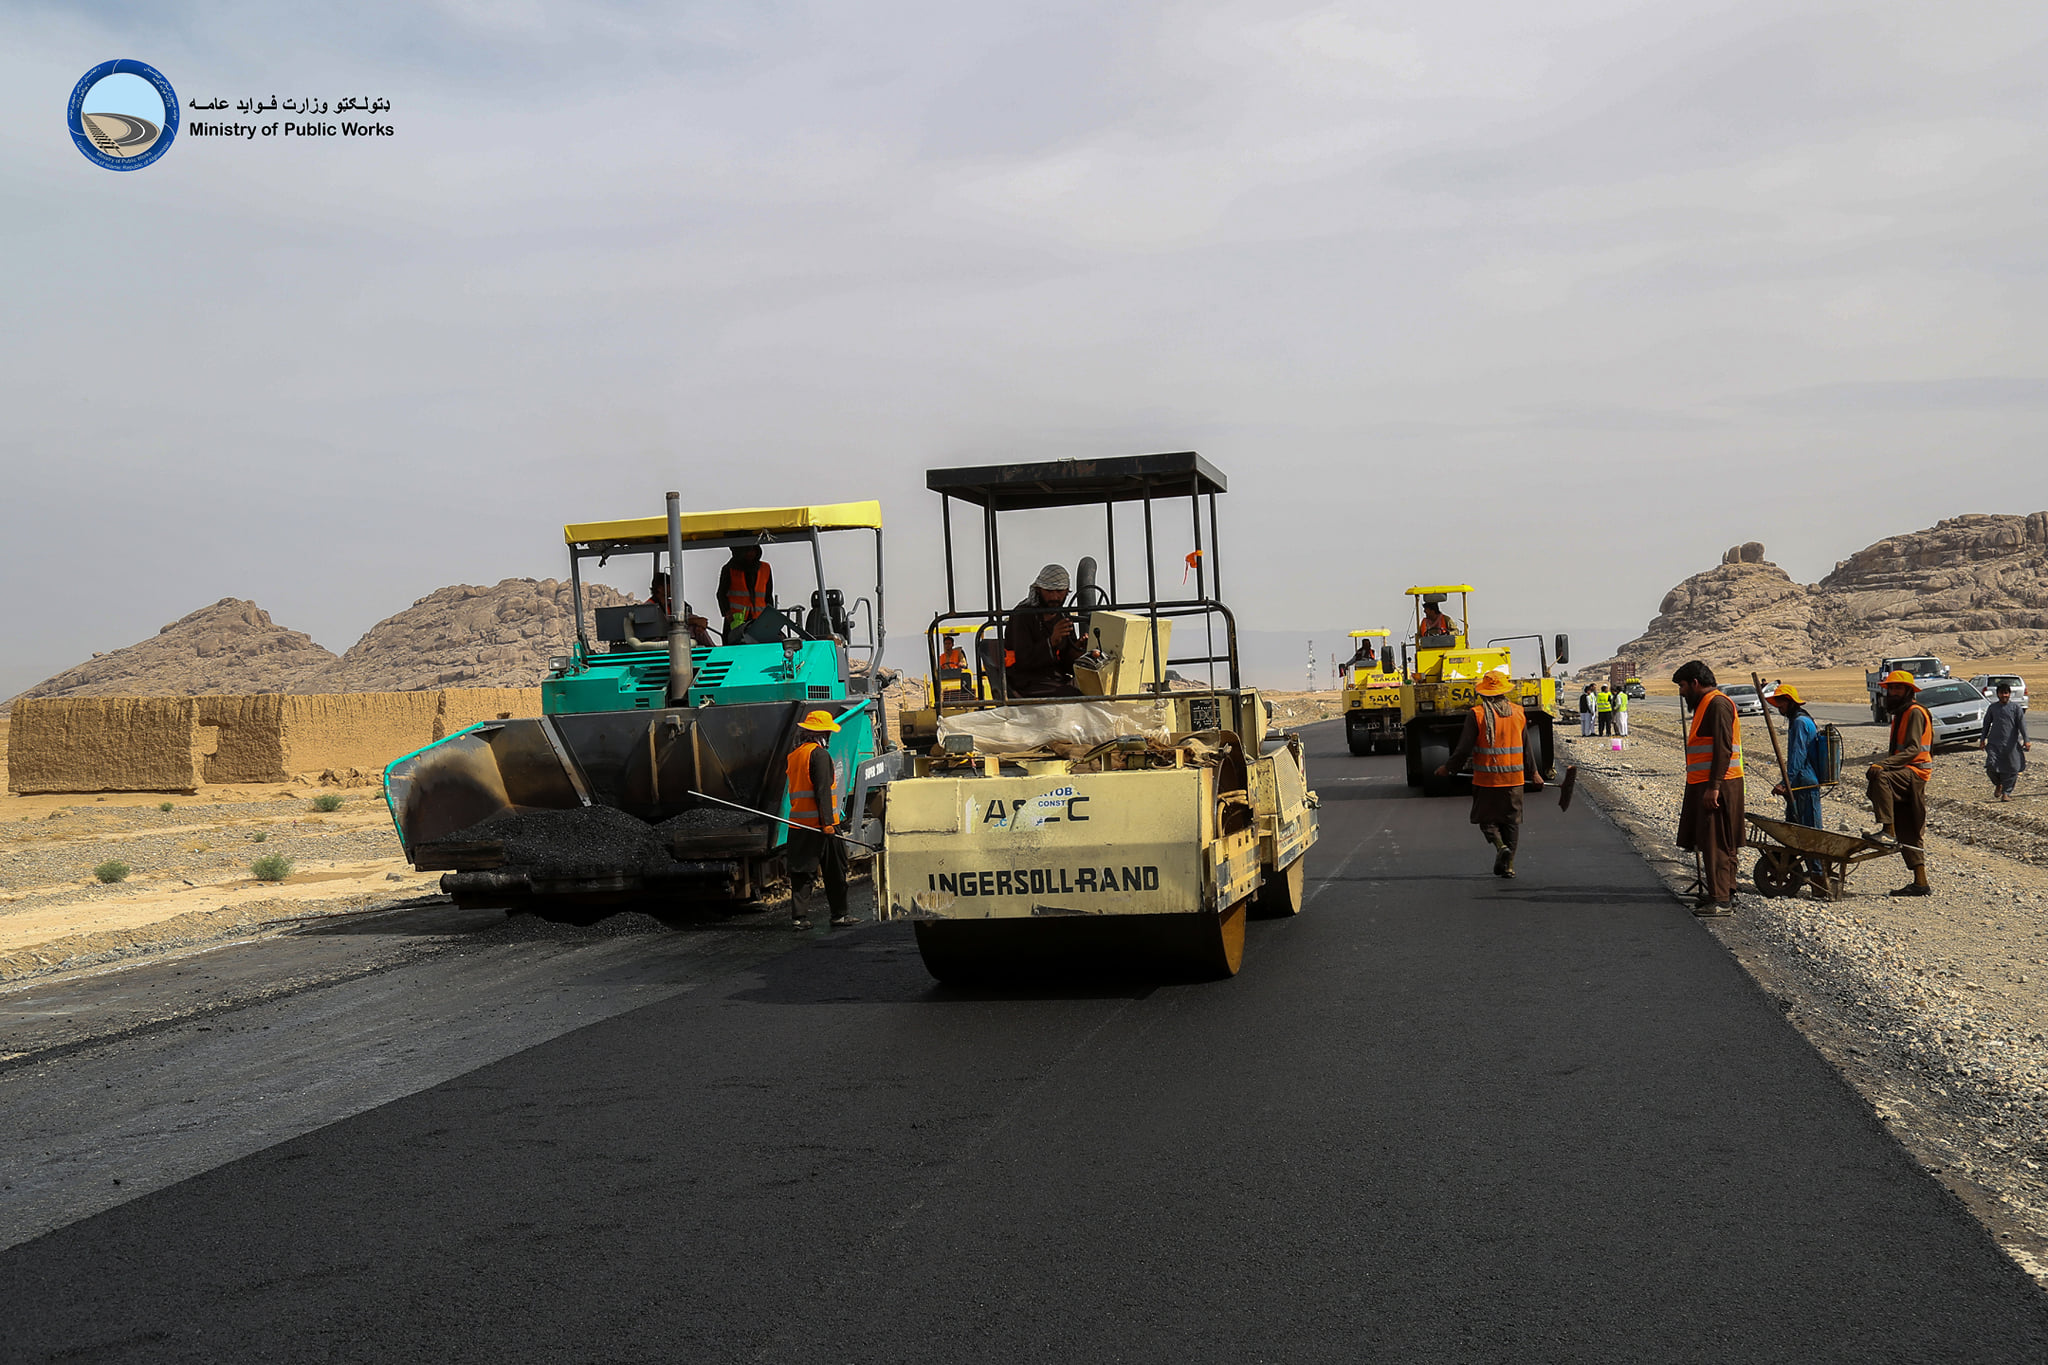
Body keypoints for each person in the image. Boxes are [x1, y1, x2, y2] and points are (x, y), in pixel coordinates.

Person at [1437, 668, 1541, 877]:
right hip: (1514, 780)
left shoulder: (1477, 714)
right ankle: (1509, 865)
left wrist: (1449, 768)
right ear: (1504, 691)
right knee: (1511, 822)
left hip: (1487, 779)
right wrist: (1535, 773)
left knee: (1485, 818)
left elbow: (1464, 748)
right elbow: (1527, 746)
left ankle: (1500, 846)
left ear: (1483, 693)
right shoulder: (1518, 712)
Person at [1673, 660, 1744, 914]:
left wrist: (1713, 786)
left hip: (1720, 785)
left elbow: (1723, 749)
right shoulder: (1705, 704)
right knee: (1714, 839)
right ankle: (1725, 892)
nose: (1681, 692)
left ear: (1695, 683)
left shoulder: (1717, 704)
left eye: (1682, 686)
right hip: (1707, 783)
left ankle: (1721, 900)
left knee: (1717, 841)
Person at [784, 710, 857, 930]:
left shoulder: (795, 755)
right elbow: (823, 791)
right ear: (822, 733)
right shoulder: (819, 755)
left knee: (801, 872)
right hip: (822, 826)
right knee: (835, 870)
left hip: (799, 825)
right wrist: (827, 823)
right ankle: (839, 915)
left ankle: (799, 918)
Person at [1866, 669, 1933, 897]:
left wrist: (1883, 764)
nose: (1892, 692)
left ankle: (1887, 830)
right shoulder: (1901, 713)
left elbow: (1914, 749)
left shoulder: (1914, 712)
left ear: (1908, 691)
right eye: (1890, 688)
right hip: (1906, 772)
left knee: (1880, 776)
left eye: (1897, 688)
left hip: (1915, 772)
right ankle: (1920, 882)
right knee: (1909, 828)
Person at [1767, 684, 1826, 889]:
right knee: (1793, 828)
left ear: (1789, 701)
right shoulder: (1797, 720)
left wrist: (1786, 783)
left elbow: (1797, 757)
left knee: (1810, 832)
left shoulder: (1800, 722)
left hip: (1805, 782)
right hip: (1800, 781)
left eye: (1780, 703)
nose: (1778, 707)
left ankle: (1819, 879)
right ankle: (1795, 869)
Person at [1003, 564, 1084, 698]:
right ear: (1039, 589)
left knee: (1095, 688)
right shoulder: (1023, 615)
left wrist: (1078, 649)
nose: (1055, 597)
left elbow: (1067, 664)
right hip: (1026, 681)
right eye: (1049, 591)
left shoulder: (1063, 616)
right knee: (1072, 694)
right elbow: (1023, 661)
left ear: (1067, 591)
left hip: (1055, 678)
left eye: (1059, 591)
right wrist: (1051, 641)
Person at [1981, 681, 2029, 801]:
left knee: (2012, 768)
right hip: (1994, 743)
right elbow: (1986, 724)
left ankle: (2006, 793)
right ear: (1998, 694)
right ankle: (1998, 784)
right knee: (1991, 767)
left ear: (2009, 694)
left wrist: (2026, 740)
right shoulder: (1993, 708)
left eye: (2006, 693)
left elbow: (2022, 725)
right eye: (2002, 693)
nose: (2004, 696)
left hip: (2011, 744)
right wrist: (1982, 739)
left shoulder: (2015, 708)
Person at [716, 545, 774, 643]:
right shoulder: (729, 569)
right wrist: (727, 613)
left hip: (759, 620)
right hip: (736, 621)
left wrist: (770, 616)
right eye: (747, 551)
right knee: (733, 650)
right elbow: (721, 594)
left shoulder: (765, 568)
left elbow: (768, 596)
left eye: (753, 550)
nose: (750, 553)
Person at [646, 572, 714, 648]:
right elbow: (664, 624)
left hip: (673, 634)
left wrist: (699, 622)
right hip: (660, 639)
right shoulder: (649, 607)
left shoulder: (672, 603)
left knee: (698, 628)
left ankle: (714, 650)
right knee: (694, 626)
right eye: (669, 585)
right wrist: (695, 621)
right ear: (660, 588)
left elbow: (686, 616)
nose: (673, 588)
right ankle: (714, 650)